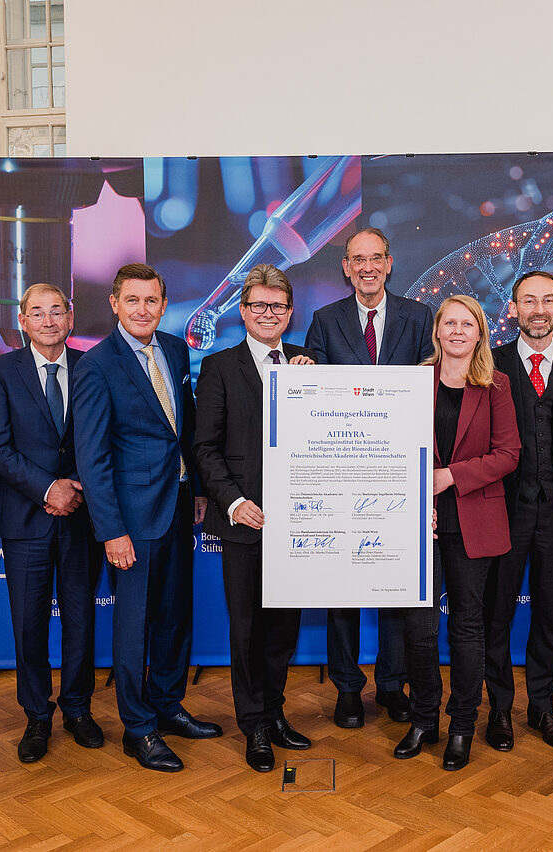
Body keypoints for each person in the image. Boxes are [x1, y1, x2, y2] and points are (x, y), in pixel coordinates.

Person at [72, 263, 218, 773]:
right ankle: (138, 728)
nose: (142, 309)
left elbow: (187, 429)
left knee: (175, 616)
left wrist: (197, 490)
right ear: (114, 303)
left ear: (162, 303)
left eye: (151, 300)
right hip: (130, 520)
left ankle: (167, 705)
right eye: (131, 300)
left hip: (178, 506)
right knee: (133, 626)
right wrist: (110, 529)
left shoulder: (176, 350)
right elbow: (91, 457)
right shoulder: (95, 366)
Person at [304, 227, 434, 729]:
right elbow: (310, 395)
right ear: (345, 266)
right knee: (342, 591)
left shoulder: (419, 316)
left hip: (401, 474)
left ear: (389, 261)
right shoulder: (324, 320)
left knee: (396, 587)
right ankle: (347, 689)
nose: (367, 267)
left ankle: (390, 685)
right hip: (341, 475)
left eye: (375, 257)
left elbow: (431, 389)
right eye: (357, 259)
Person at [193, 264, 316, 772]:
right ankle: (254, 726)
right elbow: (204, 447)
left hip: (297, 525)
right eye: (259, 305)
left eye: (278, 307)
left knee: (284, 630)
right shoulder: (220, 367)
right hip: (244, 522)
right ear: (243, 311)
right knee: (246, 629)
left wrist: (316, 388)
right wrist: (234, 502)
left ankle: (276, 712)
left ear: (290, 314)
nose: (269, 314)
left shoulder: (308, 365)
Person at [0, 283, 105, 763]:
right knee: (29, 624)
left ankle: (77, 709)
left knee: (80, 620)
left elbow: (103, 438)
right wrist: (48, 488)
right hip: (26, 520)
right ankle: (37, 715)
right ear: (23, 321)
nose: (49, 320)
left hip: (83, 517)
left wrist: (73, 484)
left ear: (71, 318)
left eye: (58, 311)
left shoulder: (93, 367)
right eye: (38, 312)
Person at [396, 294, 519, 771]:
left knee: (467, 627)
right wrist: (416, 492)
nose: (458, 331)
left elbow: (509, 454)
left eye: (468, 324)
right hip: (418, 521)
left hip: (473, 520)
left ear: (480, 332)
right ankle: (424, 718)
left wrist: (448, 476)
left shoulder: (497, 385)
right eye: (450, 323)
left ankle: (462, 725)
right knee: (419, 629)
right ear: (438, 331)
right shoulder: (413, 382)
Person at [483, 270, 553, 753]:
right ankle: (499, 710)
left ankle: (543, 707)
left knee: (550, 614)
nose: (538, 309)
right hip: (501, 515)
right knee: (496, 616)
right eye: (528, 300)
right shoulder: (490, 365)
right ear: (513, 309)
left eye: (548, 300)